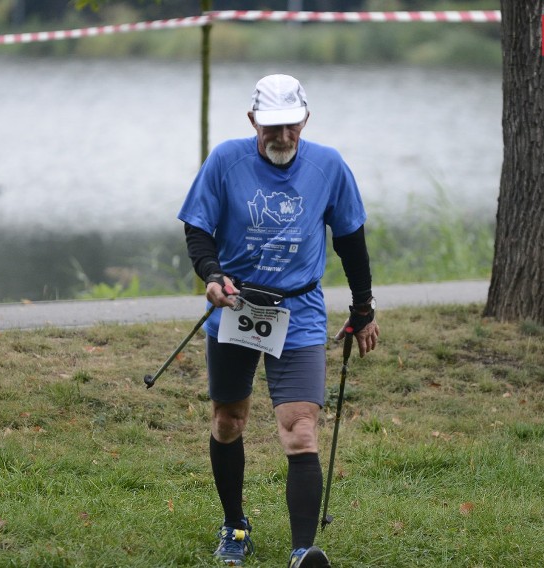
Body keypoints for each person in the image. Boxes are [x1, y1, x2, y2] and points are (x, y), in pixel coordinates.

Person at [177, 73, 380, 568]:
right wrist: (211, 275)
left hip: (301, 310)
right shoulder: (226, 159)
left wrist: (363, 308)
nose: (282, 136)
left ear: (305, 119)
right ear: (253, 122)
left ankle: (302, 550)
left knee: (300, 428)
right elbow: (198, 227)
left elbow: (350, 239)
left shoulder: (328, 166)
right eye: (271, 127)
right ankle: (235, 525)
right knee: (229, 421)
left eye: (291, 125)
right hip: (237, 307)